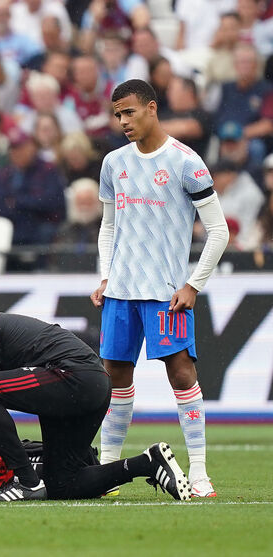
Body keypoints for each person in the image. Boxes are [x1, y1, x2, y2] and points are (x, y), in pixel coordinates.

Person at [0, 279, 193, 502]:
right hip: (92, 383)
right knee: (63, 484)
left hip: (74, 378)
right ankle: (147, 462)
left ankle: (27, 482)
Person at [91, 79, 229, 499]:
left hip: (166, 291)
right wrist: (105, 276)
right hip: (121, 293)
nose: (122, 121)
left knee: (181, 372)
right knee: (115, 377)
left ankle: (200, 473)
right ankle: (108, 474)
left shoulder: (187, 162)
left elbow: (218, 231)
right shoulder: (114, 162)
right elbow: (109, 226)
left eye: (129, 112)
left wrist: (193, 284)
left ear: (152, 108)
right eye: (117, 114)